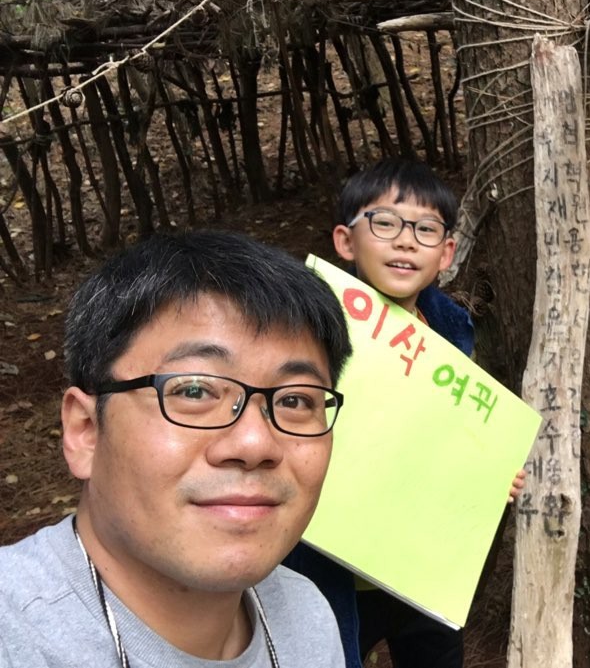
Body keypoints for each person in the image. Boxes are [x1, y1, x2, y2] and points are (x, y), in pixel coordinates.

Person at [0, 231, 353, 668]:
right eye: (194, 390)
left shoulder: (306, 618)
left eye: (295, 400)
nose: (255, 443)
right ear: (85, 431)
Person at [284, 159, 523, 668]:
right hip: (330, 570)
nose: (406, 242)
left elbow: (448, 433)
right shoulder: (308, 328)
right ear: (346, 241)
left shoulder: (450, 330)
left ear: (446, 253)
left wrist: (489, 474)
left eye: (425, 229)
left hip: (423, 572)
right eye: (385, 223)